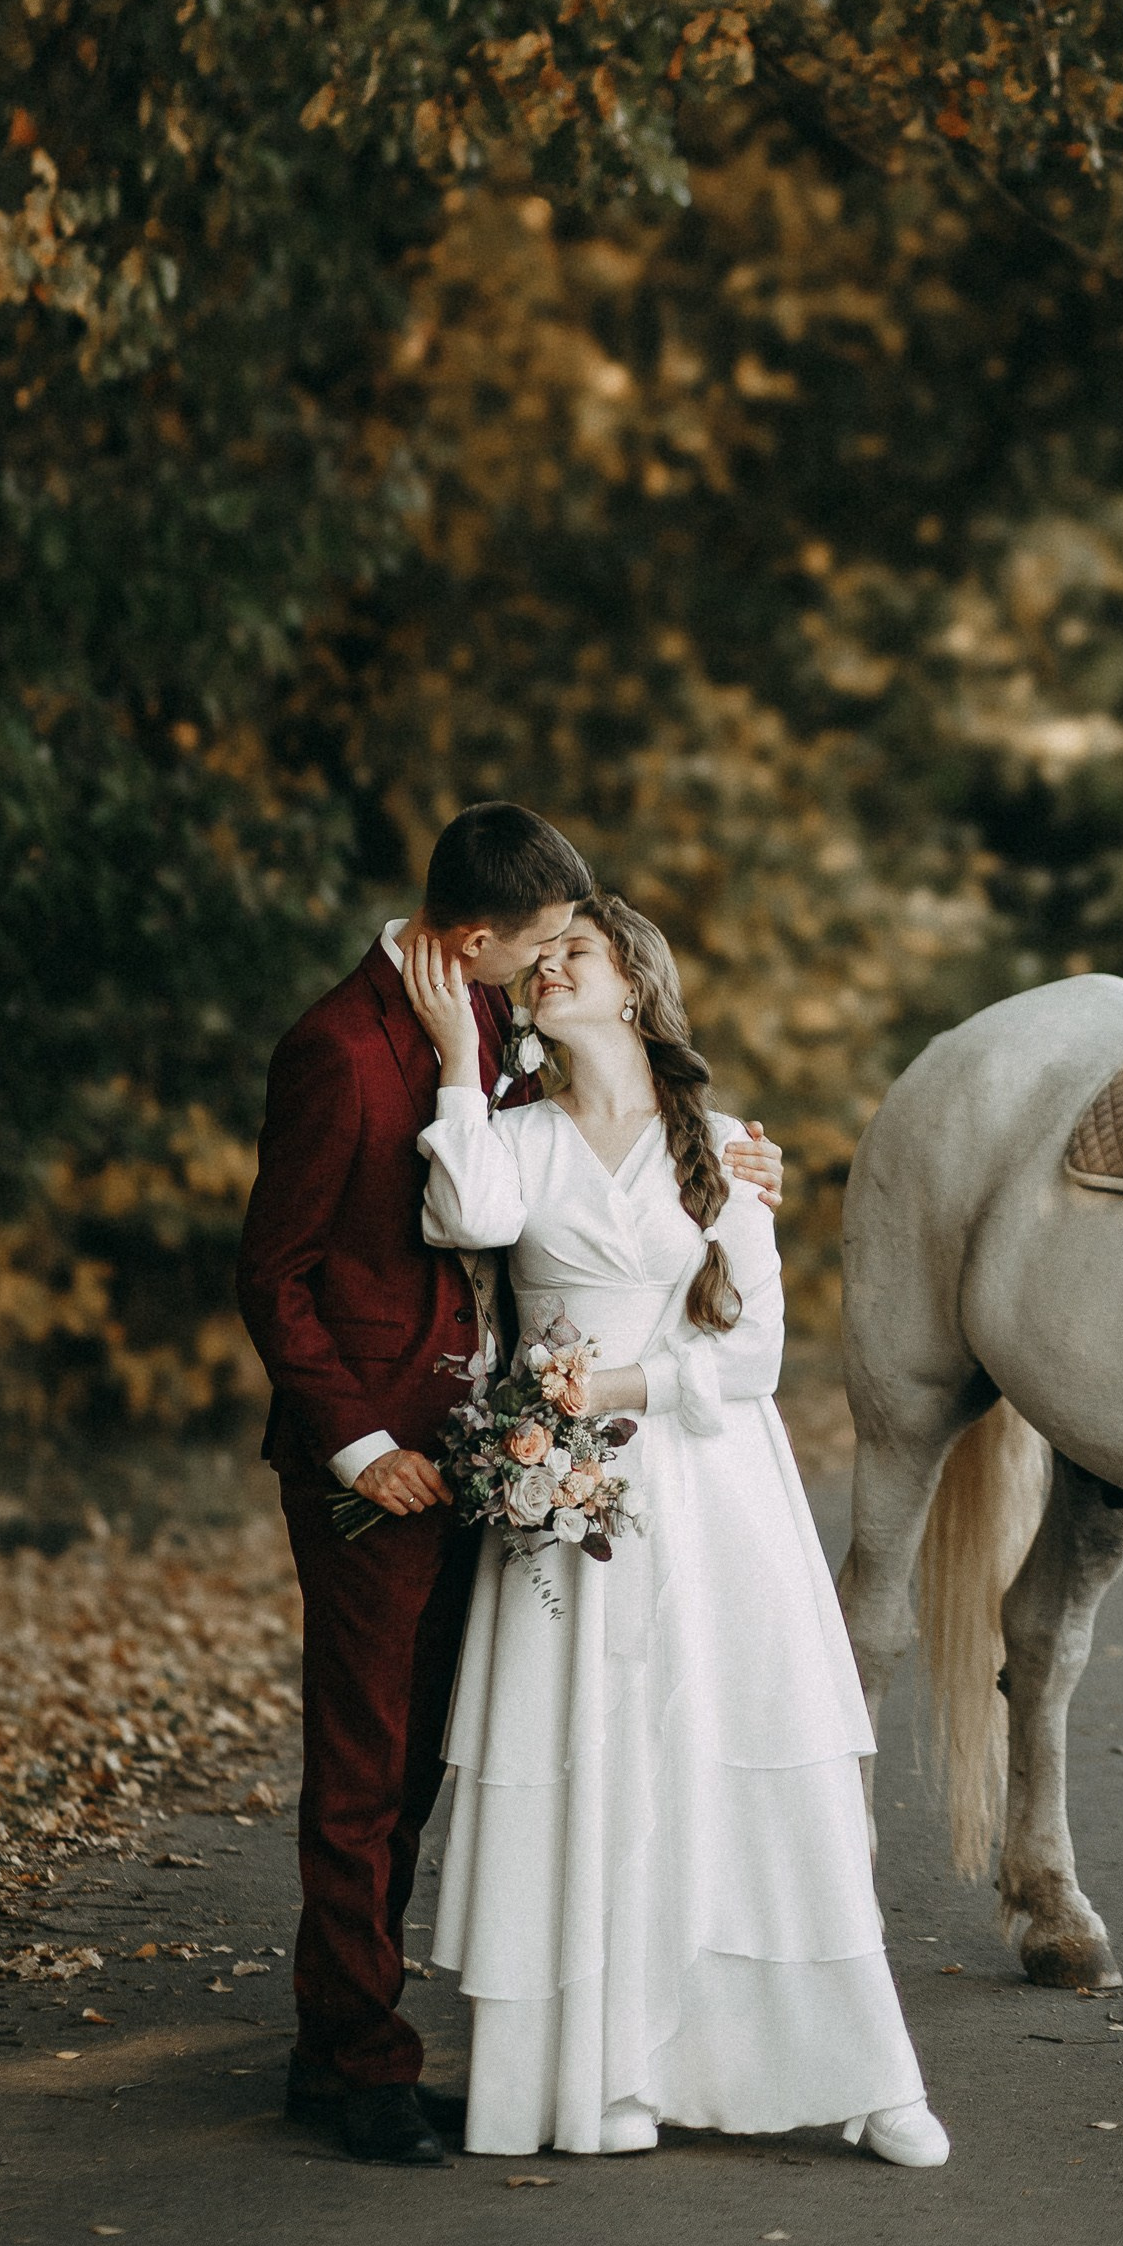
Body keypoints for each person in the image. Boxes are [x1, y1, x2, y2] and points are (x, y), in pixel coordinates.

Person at [235, 801, 782, 2165]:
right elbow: (275, 1273)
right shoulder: (337, 1047)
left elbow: (575, 1157)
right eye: (539, 947)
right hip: (379, 1463)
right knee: (363, 1769)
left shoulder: (492, 1015)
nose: (552, 968)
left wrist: (728, 1161)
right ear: (474, 935)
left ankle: (347, 2035)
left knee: (430, 1757)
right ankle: (354, 2064)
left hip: (498, 1453)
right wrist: (359, 1446)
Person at [411, 894, 948, 2167]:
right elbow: (464, 1216)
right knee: (593, 1764)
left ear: (636, 988)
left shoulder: (721, 1146)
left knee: (742, 1763)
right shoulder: (517, 1134)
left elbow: (753, 1354)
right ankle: (606, 2070)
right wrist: (456, 1059)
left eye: (574, 954)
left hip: (707, 1487)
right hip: (564, 1497)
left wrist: (604, 1387)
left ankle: (862, 2070)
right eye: (539, 957)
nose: (548, 969)